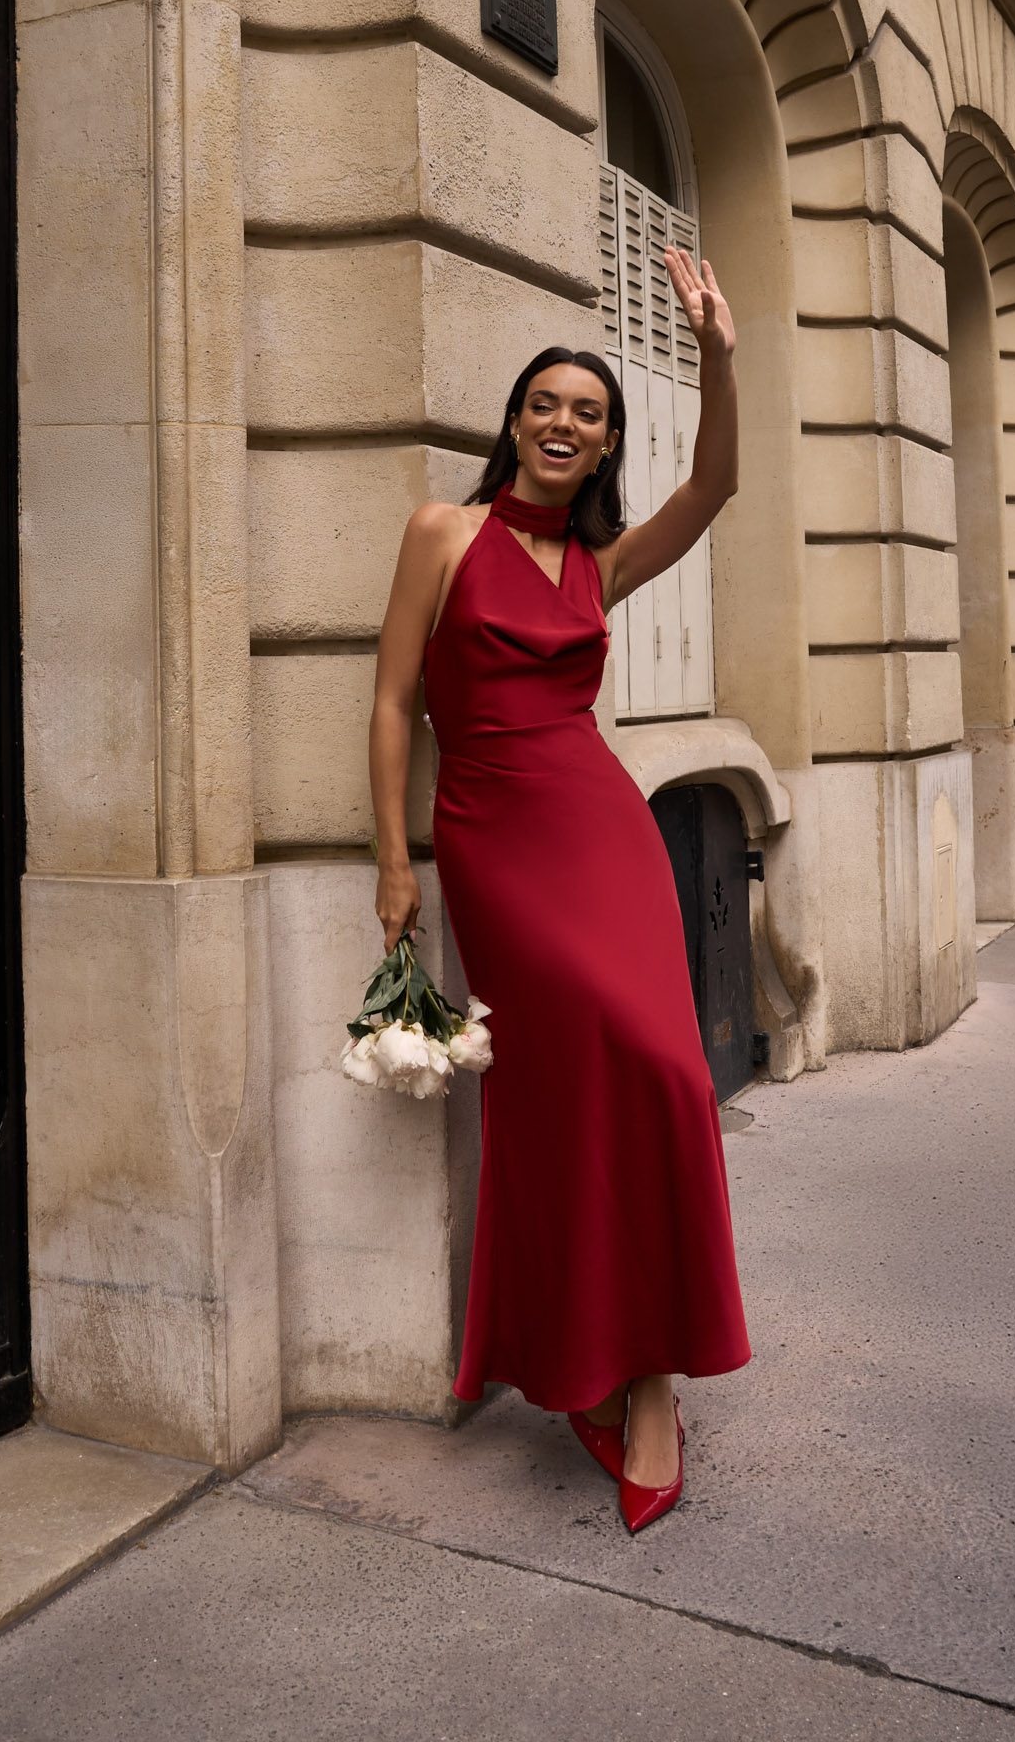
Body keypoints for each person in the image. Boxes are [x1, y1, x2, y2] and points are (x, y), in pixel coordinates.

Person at [369, 248, 750, 1534]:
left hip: (603, 825)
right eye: (547, 401)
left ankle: (647, 1375)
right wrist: (392, 859)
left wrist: (717, 352)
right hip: (490, 832)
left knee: (664, 1068)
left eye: (588, 413)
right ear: (516, 419)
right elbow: (392, 701)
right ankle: (595, 1370)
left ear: (601, 447)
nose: (563, 422)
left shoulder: (601, 565)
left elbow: (717, 485)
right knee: (558, 1097)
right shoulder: (444, 532)